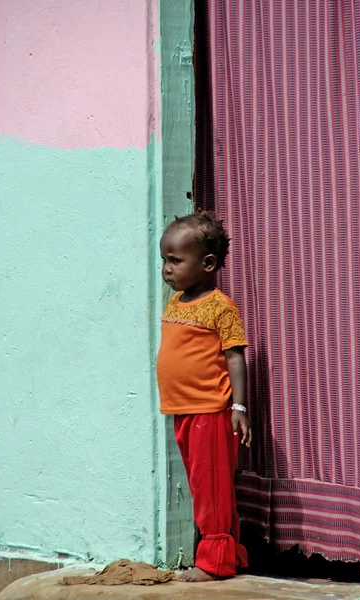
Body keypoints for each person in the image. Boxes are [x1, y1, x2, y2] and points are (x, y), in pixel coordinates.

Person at [156, 210, 252, 582]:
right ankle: (231, 554)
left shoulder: (219, 306)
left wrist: (239, 407)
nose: (167, 269)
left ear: (208, 263)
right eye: (164, 260)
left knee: (211, 489)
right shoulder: (176, 301)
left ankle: (215, 561)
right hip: (184, 410)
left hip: (211, 411)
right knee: (203, 484)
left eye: (176, 260)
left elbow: (235, 357)